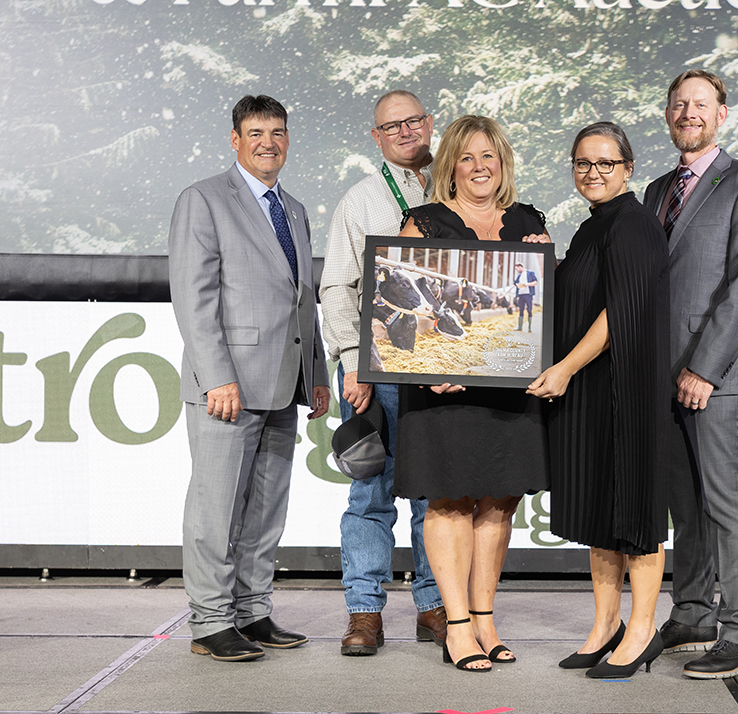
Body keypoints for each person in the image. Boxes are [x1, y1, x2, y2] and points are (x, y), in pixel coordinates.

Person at [168, 94, 331, 662]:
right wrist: (217, 376)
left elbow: (301, 300)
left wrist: (315, 372)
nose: (268, 142)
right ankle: (211, 621)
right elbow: (194, 298)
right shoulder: (204, 200)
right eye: (256, 131)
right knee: (216, 508)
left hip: (285, 381)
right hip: (227, 385)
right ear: (235, 139)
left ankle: (252, 611)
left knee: (266, 507)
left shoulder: (295, 208)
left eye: (278, 132)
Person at [395, 115, 550, 672]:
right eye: (467, 158)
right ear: (450, 168)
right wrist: (421, 370)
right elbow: (398, 305)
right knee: (450, 498)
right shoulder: (425, 223)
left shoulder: (529, 221)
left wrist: (545, 260)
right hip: (442, 390)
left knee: (500, 500)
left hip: (510, 388)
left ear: (503, 162)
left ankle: (486, 620)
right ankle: (456, 624)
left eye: (489, 156)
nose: (480, 167)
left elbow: (541, 307)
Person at [643, 69, 738, 679]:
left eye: (701, 104)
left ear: (722, 114)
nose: (688, 112)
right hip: (661, 373)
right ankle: (693, 613)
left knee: (725, 499)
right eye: (679, 104)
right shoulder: (654, 191)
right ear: (667, 114)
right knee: (686, 506)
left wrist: (704, 367)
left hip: (716, 373)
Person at [527, 122, 670, 679]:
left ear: (628, 169)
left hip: (624, 391)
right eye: (583, 163)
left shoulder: (634, 224)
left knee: (633, 512)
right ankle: (605, 625)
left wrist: (562, 369)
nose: (593, 173)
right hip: (592, 389)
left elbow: (618, 314)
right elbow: (582, 295)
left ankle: (641, 631)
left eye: (606, 164)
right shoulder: (592, 228)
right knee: (599, 513)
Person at [318, 90, 447, 657]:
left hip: (443, 370)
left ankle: (435, 605)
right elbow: (338, 287)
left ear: (429, 123)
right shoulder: (361, 200)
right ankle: (364, 612)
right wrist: (352, 360)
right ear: (375, 137)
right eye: (389, 126)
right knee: (370, 492)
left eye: (412, 121)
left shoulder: (457, 186)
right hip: (378, 371)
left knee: (436, 497)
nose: (402, 131)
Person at [511, 261, 538, 331]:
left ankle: (529, 327)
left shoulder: (530, 273)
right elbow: (515, 284)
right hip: (521, 295)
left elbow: (536, 282)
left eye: (517, 269)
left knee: (529, 310)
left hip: (528, 294)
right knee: (521, 310)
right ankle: (520, 327)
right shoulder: (519, 276)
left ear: (520, 267)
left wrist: (527, 284)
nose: (517, 270)